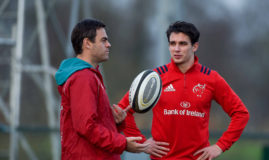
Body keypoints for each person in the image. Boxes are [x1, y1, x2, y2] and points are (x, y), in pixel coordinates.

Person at [117, 21, 250, 159]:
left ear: (195, 46)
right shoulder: (155, 77)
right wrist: (142, 142)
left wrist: (220, 146)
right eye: (172, 43)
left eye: (183, 44)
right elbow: (123, 110)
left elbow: (240, 113)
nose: (176, 49)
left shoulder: (211, 78)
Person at [55, 18, 147, 160]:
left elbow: (90, 126)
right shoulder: (83, 77)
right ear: (87, 43)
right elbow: (86, 127)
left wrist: (115, 122)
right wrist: (122, 143)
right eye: (103, 40)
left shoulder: (90, 76)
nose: (108, 45)